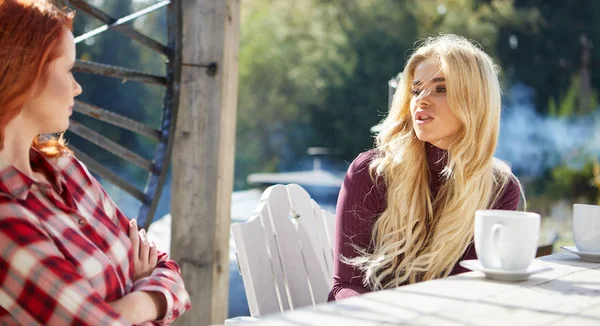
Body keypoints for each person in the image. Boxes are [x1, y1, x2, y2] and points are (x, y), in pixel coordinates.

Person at [0, 0, 191, 324]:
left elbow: (168, 270)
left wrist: (133, 305)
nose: (78, 87)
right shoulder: (6, 219)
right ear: (26, 73)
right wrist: (144, 290)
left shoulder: (65, 168)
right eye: (69, 69)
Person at [328, 34, 524, 301]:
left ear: (474, 100)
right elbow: (345, 285)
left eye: (440, 88)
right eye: (416, 89)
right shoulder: (371, 171)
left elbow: (472, 289)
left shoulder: (499, 189)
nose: (422, 99)